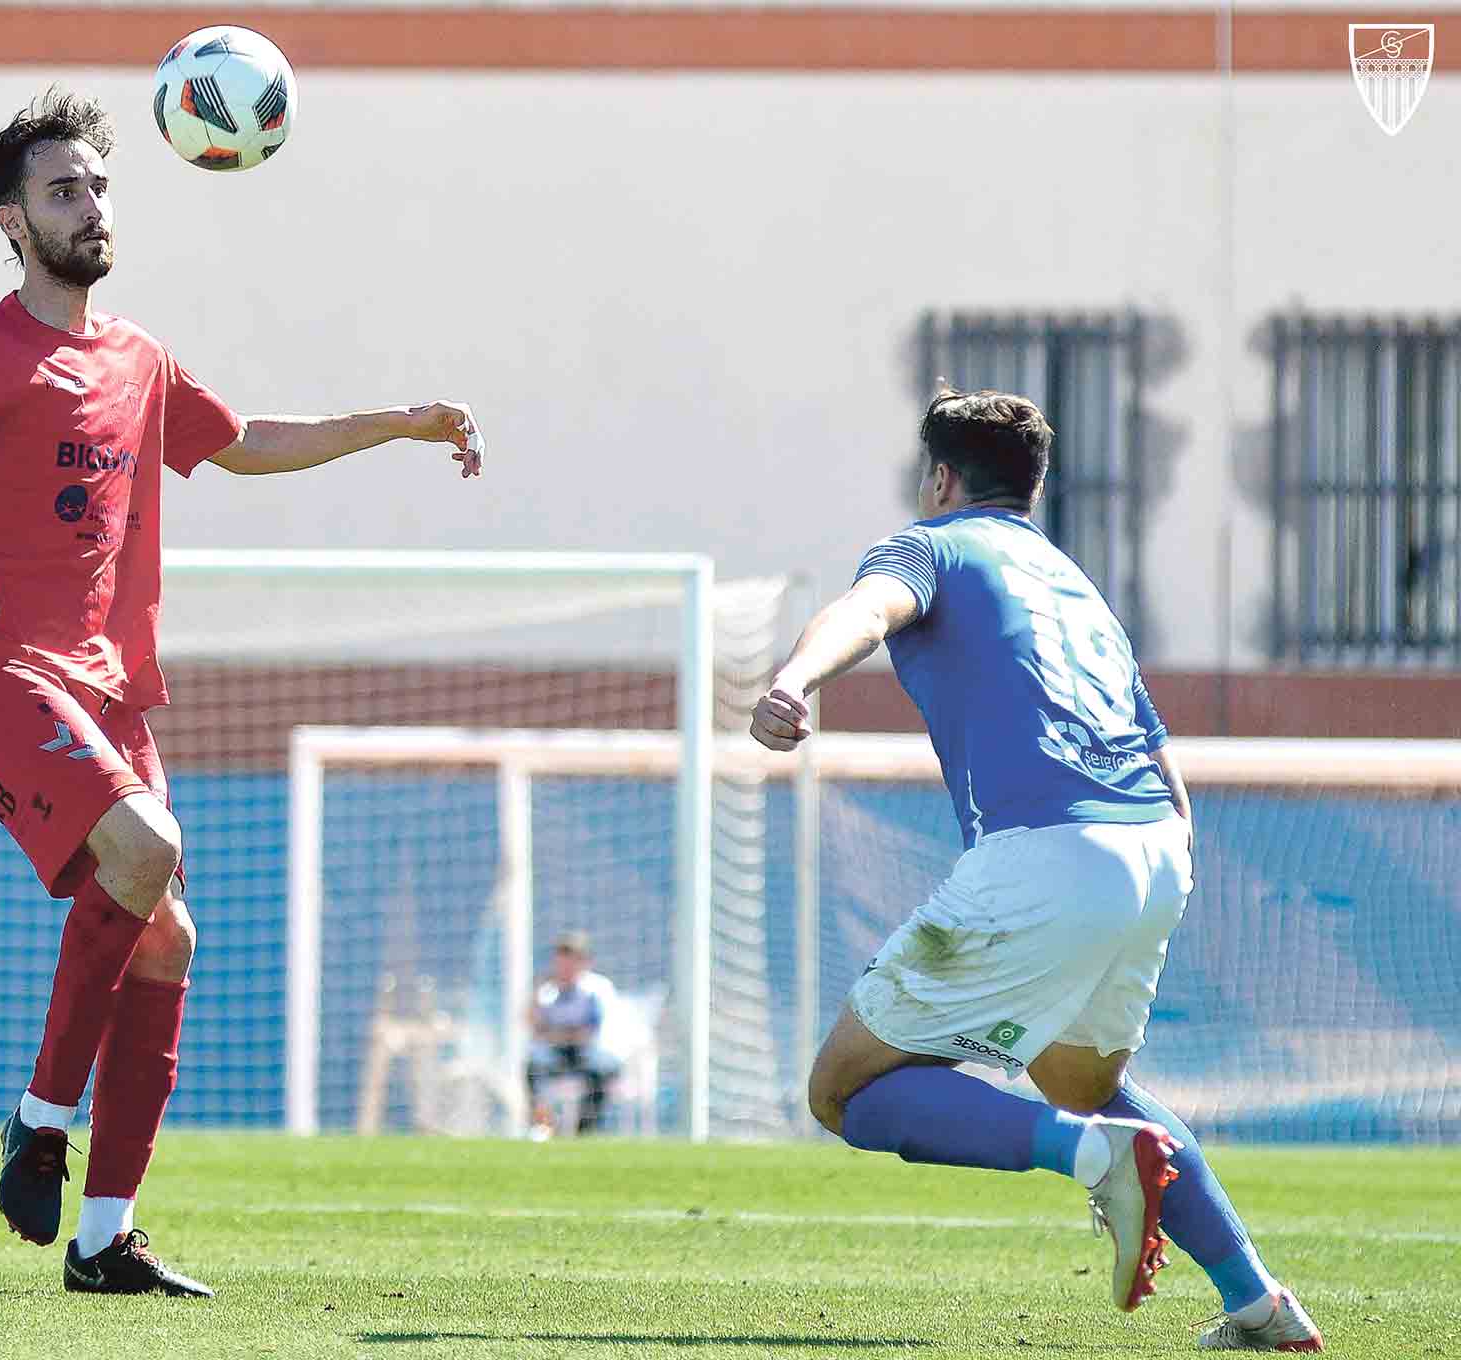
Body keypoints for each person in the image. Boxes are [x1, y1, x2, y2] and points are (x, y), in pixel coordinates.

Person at [0, 89, 483, 1298]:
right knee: (148, 847)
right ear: (11, 223)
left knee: (168, 935)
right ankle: (38, 1120)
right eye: (60, 191)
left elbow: (243, 441)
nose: (88, 206)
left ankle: (103, 1240)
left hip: (108, 687)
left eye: (96, 185)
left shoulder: (138, 357)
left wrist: (397, 423)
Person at [750, 389, 1322, 1352]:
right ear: (1035, 483)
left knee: (845, 1092)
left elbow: (867, 608)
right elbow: (1151, 731)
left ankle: (1094, 1158)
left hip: (1051, 850)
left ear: (940, 478)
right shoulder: (1072, 582)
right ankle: (1258, 1301)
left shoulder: (932, 545)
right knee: (1085, 1077)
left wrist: (792, 680)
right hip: (1154, 846)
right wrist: (1171, 849)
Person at [524, 931, 621, 1138]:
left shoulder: (596, 989)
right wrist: (535, 993)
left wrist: (557, 1034)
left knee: (601, 1071)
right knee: (533, 1068)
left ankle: (585, 1131)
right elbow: (533, 1027)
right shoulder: (546, 989)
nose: (566, 966)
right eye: (561, 960)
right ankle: (543, 1126)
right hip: (555, 1052)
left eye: (573, 960)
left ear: (585, 962)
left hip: (588, 1052)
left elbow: (589, 1032)